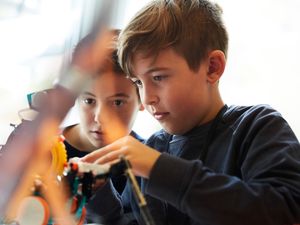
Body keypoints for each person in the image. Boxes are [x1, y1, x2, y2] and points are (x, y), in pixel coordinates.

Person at [81, 0, 300, 224]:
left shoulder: (257, 127)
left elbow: (287, 211)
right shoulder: (152, 148)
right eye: (138, 82)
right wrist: (99, 197)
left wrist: (159, 169)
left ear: (212, 67)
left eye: (158, 77)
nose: (146, 99)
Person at [62, 30, 144, 195]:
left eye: (117, 102)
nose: (100, 118)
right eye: (89, 101)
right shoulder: (44, 150)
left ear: (143, 99)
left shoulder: (148, 160)